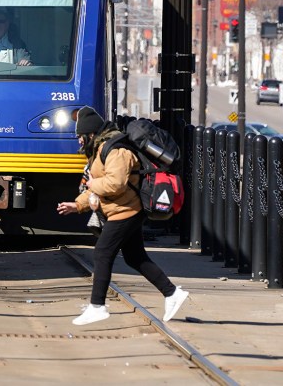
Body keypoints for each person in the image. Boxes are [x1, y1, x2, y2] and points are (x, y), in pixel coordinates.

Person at [57, 106, 189, 325]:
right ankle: (172, 293)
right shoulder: (99, 151)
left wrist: (92, 182)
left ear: (91, 134)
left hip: (126, 211)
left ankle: (97, 306)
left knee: (102, 253)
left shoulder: (116, 150)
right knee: (135, 257)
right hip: (120, 210)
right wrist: (77, 205)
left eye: (80, 136)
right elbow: (96, 187)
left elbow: (115, 184)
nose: (79, 141)